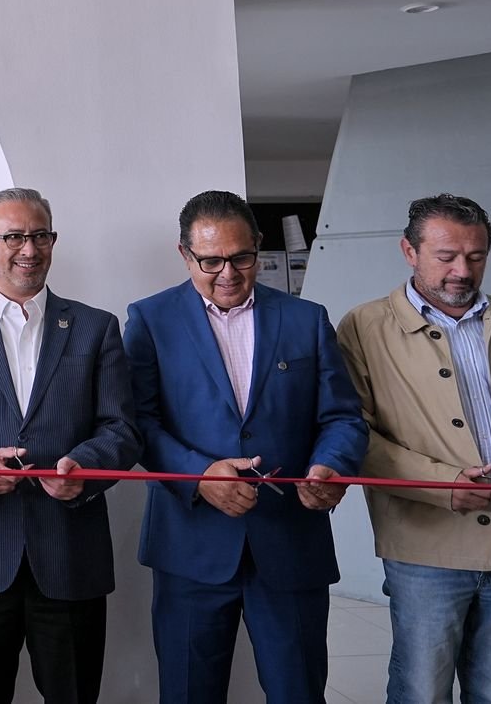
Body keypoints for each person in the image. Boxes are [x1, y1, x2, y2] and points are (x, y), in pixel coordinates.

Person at [123, 189, 366, 704]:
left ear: (257, 244)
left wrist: (330, 464)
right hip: (190, 545)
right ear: (185, 254)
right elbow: (137, 422)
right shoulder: (150, 320)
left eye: (241, 257)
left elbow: (342, 417)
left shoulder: (306, 319)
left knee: (298, 693)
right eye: (210, 261)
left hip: (290, 540)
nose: (228, 273)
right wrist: (199, 477)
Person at [335, 193, 491, 704]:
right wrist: (441, 484)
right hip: (424, 548)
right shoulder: (363, 327)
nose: (462, 270)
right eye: (446, 257)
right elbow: (351, 434)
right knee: (422, 693)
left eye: (476, 256)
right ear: (409, 251)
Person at [0, 188, 140, 704]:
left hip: (69, 554)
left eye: (40, 236)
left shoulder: (96, 327)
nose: (29, 249)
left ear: (53, 241)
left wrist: (84, 467)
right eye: (14, 237)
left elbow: (122, 428)